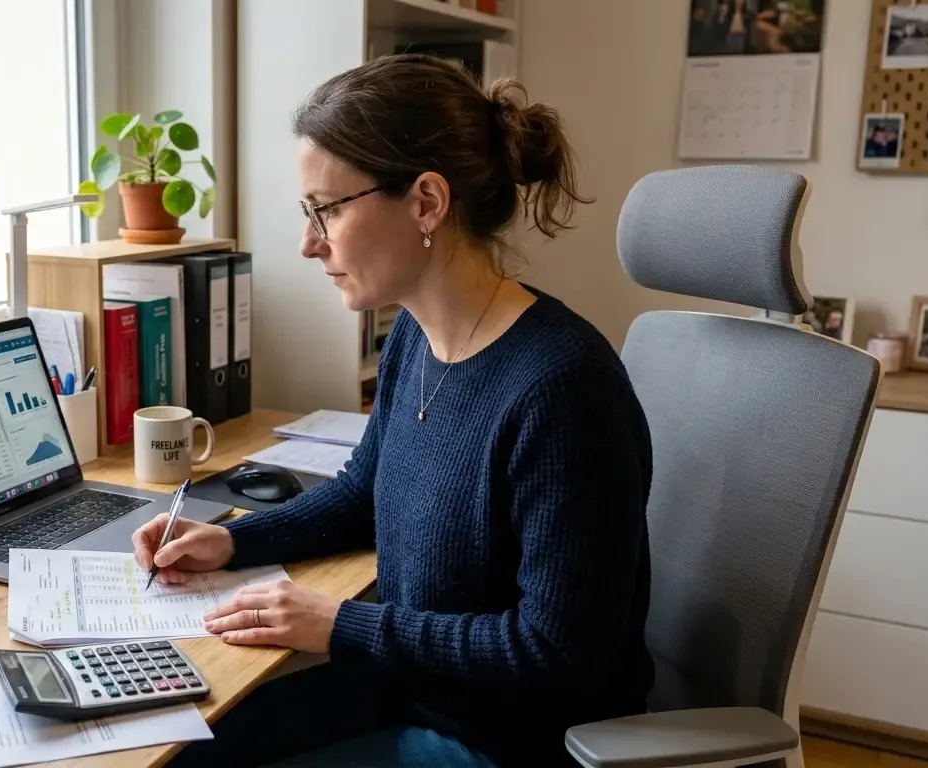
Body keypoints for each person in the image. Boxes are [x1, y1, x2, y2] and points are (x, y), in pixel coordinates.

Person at [131, 54, 654, 768]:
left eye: (328, 209)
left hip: (501, 742)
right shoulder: (414, 334)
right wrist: (232, 542)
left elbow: (557, 653)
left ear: (427, 202)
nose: (309, 243)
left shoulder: (563, 388)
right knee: (173, 749)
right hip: (408, 690)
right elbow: (364, 491)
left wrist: (342, 624)